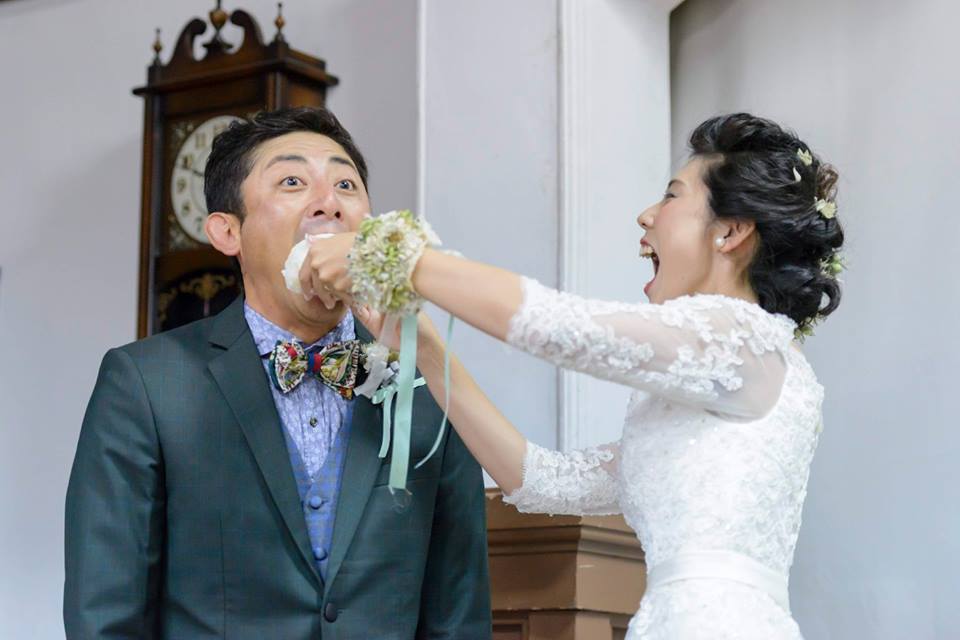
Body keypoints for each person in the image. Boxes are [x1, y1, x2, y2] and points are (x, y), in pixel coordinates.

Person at [304, 113, 844, 639]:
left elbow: (556, 325)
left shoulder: (744, 341)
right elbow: (541, 481)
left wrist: (396, 257)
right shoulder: (708, 387)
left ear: (729, 231)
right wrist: (427, 349)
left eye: (671, 196)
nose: (647, 216)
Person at [64, 107, 491, 640]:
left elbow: (459, 614)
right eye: (292, 182)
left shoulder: (427, 378)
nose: (328, 203)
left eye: (345, 185)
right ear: (227, 232)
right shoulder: (146, 383)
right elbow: (105, 616)